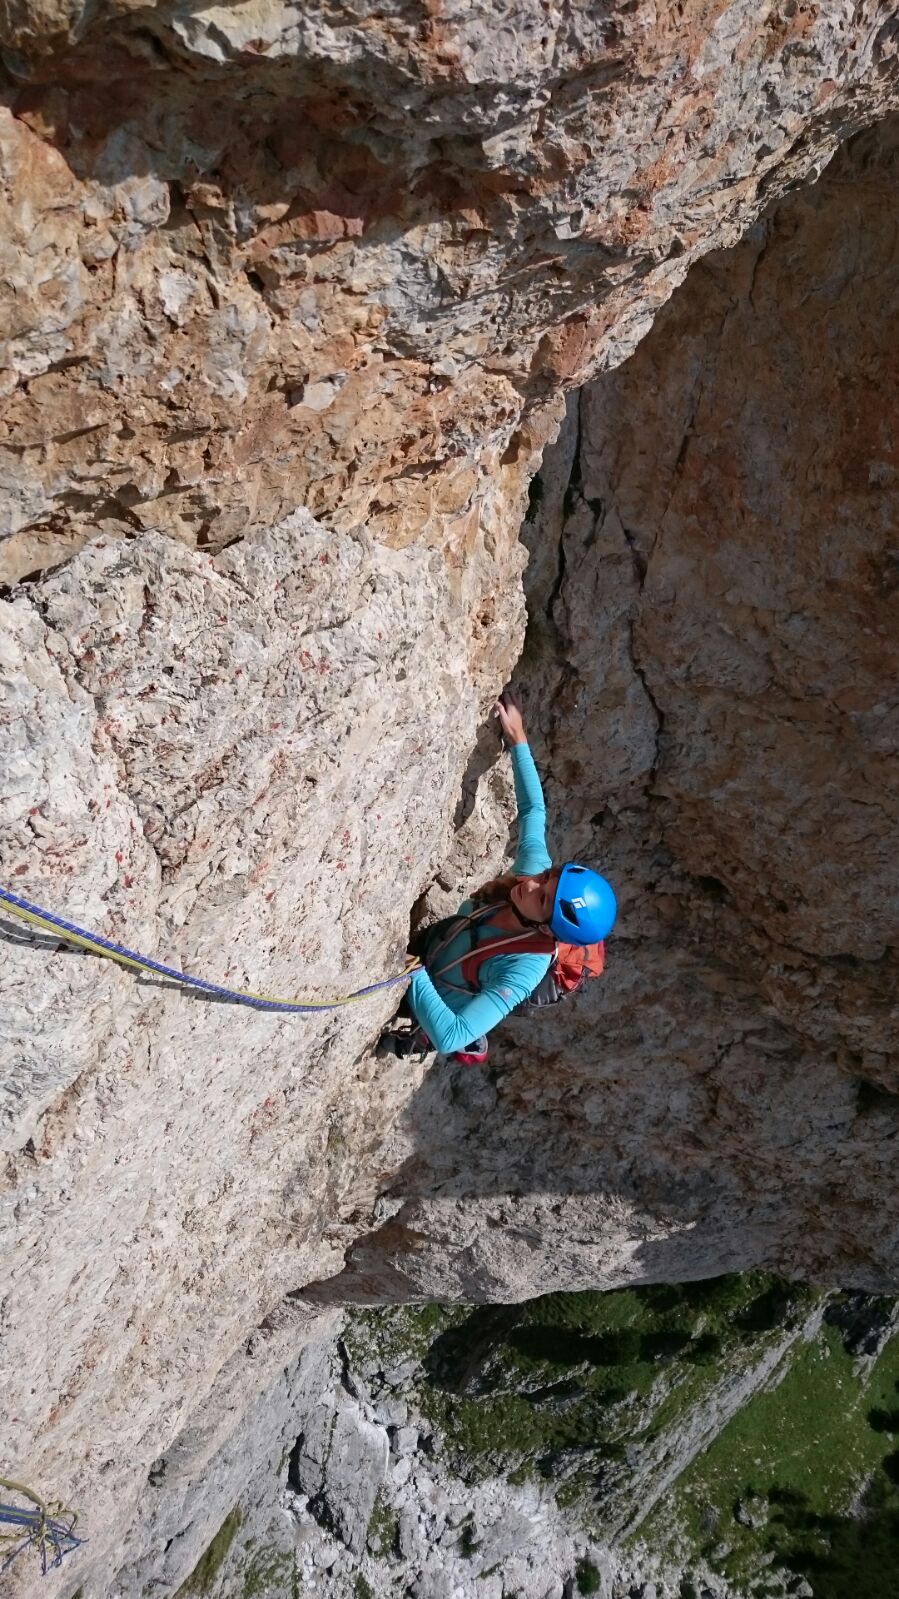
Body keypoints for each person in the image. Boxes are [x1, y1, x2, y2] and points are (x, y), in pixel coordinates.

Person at [383, 688, 617, 1062]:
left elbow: (451, 1035)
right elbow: (533, 812)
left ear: (546, 928)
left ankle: (415, 1039)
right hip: (433, 950)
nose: (531, 883)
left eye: (541, 897)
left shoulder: (524, 968)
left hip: (429, 992)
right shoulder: (533, 875)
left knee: (439, 1030)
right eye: (547, 879)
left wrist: (410, 973)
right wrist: (518, 739)